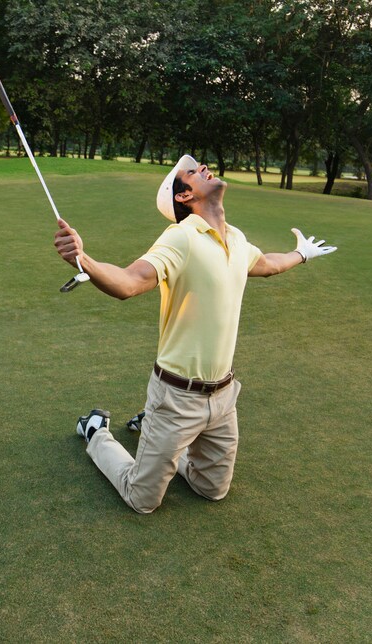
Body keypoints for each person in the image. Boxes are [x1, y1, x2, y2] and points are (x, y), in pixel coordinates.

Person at [53, 155, 336, 513]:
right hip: (176, 398)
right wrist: (84, 261)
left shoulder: (235, 238)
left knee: (212, 489)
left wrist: (302, 253)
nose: (202, 167)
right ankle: (95, 431)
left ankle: (159, 440)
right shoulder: (181, 237)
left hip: (223, 397)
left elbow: (266, 264)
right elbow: (130, 282)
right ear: (184, 197)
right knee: (142, 499)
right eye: (191, 171)